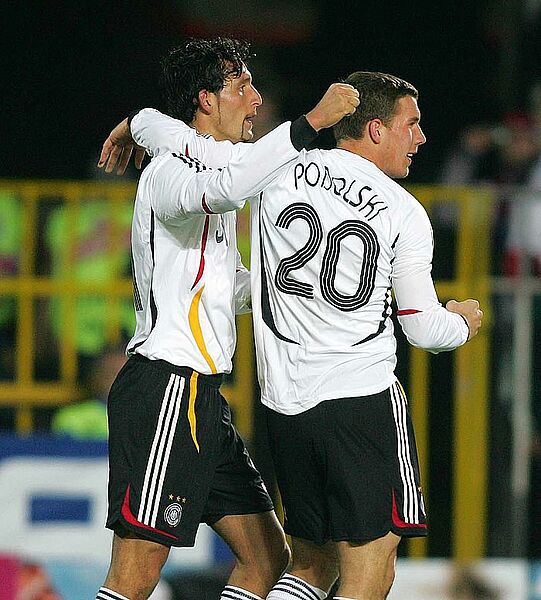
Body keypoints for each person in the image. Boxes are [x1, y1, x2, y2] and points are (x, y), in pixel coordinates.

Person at [102, 70, 483, 600]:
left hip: (286, 409)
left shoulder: (277, 170)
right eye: (412, 123)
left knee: (299, 563)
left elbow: (201, 151)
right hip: (356, 399)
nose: (421, 137)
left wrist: (138, 122)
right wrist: (462, 321)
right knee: (371, 570)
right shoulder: (405, 212)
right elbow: (422, 327)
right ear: (375, 129)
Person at [95, 37, 359, 600]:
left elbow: (228, 286)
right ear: (206, 100)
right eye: (242, 87)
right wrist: (311, 123)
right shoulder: (169, 172)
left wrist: (301, 279)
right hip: (167, 386)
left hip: (203, 398)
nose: (256, 99)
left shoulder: (201, 163)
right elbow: (228, 186)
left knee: (268, 558)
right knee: (134, 576)